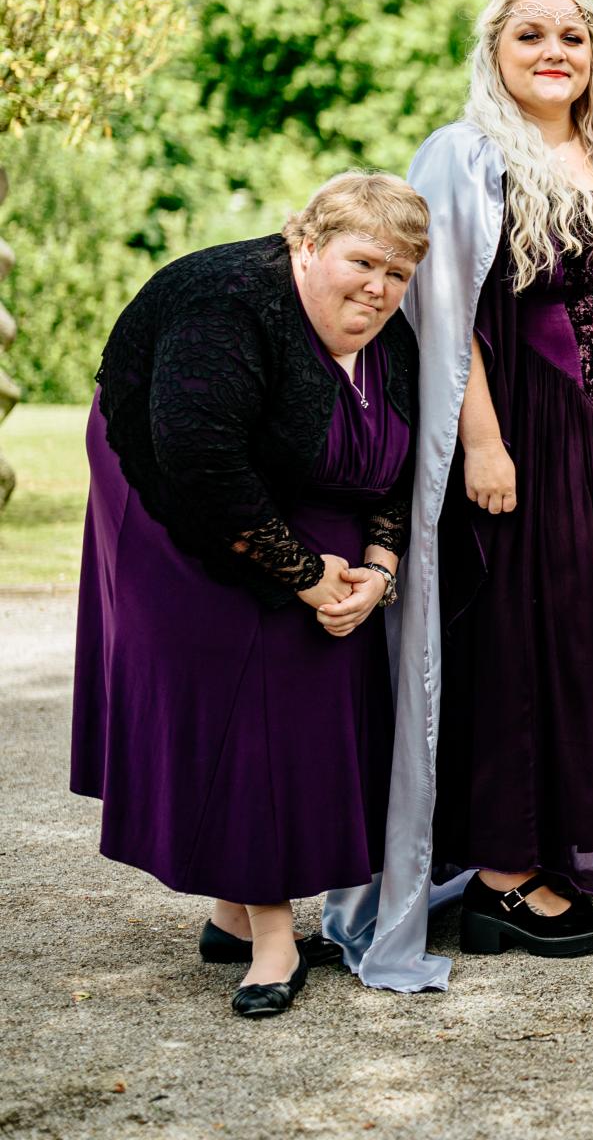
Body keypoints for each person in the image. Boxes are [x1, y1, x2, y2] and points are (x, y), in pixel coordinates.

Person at [330, 0, 593, 986]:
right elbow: (444, 310)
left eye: (572, 34)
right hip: (519, 436)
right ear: (495, 48)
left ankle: (570, 843)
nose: (553, 51)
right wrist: (483, 442)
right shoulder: (467, 154)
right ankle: (500, 870)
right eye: (529, 34)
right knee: (519, 642)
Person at [72, 173, 424, 1018]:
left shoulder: (390, 332)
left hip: (289, 485)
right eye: (362, 261)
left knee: (314, 680)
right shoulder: (224, 303)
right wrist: (304, 576)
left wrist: (376, 567)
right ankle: (270, 939)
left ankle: (232, 911)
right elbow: (200, 459)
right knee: (245, 682)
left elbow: (400, 452)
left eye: (399, 272)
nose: (379, 288)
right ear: (306, 245)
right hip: (165, 484)